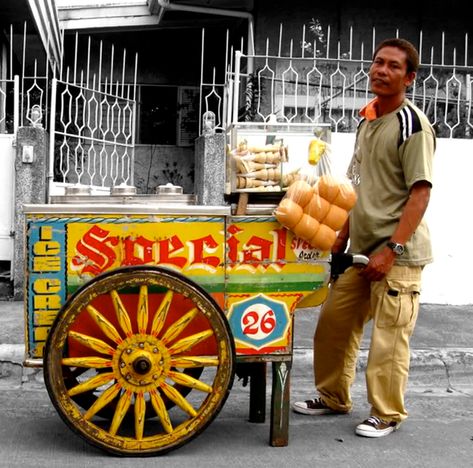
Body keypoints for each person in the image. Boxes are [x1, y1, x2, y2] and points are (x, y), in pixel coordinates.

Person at [292, 38, 436, 438]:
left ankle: (386, 413)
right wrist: (342, 234)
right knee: (334, 323)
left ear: (409, 77)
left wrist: (392, 250)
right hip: (362, 249)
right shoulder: (368, 120)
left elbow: (420, 194)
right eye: (377, 63)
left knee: (389, 340)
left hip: (398, 254)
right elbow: (360, 186)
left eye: (392, 66)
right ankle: (334, 395)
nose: (381, 71)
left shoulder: (413, 125)